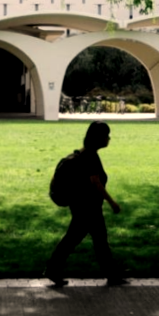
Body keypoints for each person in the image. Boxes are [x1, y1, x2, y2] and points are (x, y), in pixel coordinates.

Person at [44, 121, 128, 287]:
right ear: (99, 137)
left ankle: (111, 274)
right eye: (106, 135)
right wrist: (112, 203)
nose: (109, 138)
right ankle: (53, 270)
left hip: (83, 205)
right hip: (88, 207)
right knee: (82, 239)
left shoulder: (86, 153)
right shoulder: (90, 156)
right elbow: (96, 183)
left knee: (93, 239)